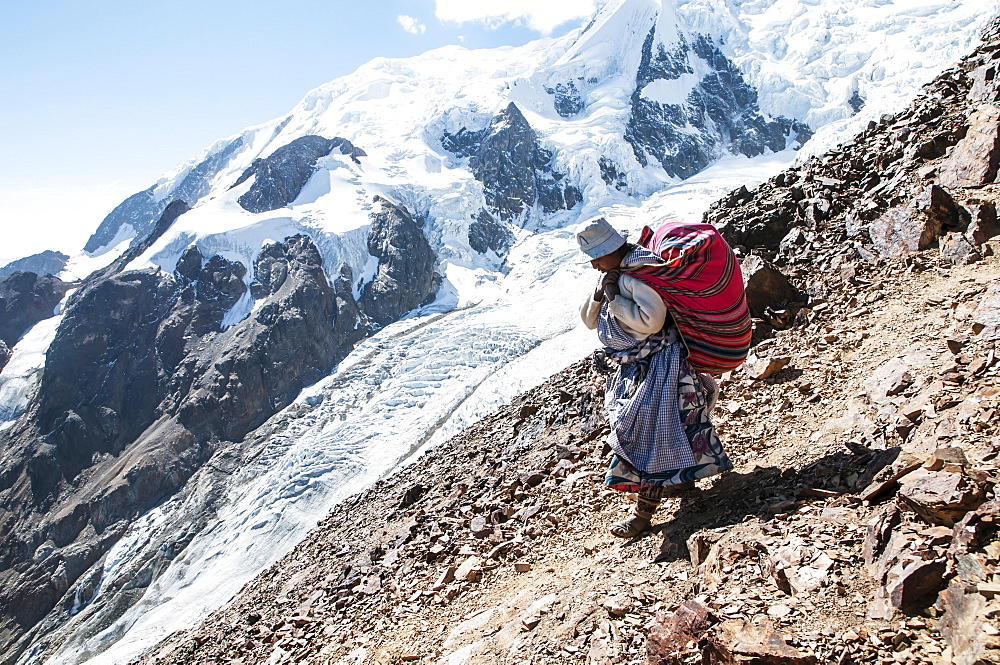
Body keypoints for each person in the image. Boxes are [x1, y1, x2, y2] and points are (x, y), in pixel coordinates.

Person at [577, 216, 732, 538]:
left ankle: (642, 515)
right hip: (640, 366)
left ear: (611, 249)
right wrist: (601, 292)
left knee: (649, 430)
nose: (593, 265)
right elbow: (589, 322)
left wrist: (614, 299)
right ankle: (684, 481)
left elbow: (651, 322)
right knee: (672, 426)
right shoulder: (615, 274)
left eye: (596, 256)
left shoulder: (636, 276)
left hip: (662, 364)